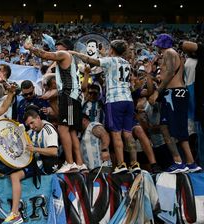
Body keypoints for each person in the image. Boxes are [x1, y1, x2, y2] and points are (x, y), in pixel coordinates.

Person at [70, 40, 141, 173]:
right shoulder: (126, 63)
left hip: (115, 101)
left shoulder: (110, 60)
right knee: (128, 134)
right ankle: (134, 164)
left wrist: (74, 53)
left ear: (112, 50)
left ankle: (121, 164)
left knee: (116, 134)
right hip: (128, 101)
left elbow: (91, 60)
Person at [24, 38, 85, 172]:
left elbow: (45, 55)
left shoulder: (64, 55)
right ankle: (79, 163)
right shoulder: (69, 58)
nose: (56, 51)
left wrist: (30, 48)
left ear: (65, 48)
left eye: (58, 48)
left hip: (68, 95)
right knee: (72, 131)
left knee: (63, 129)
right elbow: (49, 71)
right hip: (74, 96)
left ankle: (69, 162)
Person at [148, 34, 202, 172]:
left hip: (173, 94)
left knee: (165, 128)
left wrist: (157, 92)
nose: (156, 46)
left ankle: (178, 162)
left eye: (158, 44)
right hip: (178, 93)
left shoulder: (169, 52)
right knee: (180, 130)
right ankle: (190, 162)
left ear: (162, 44)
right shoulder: (172, 54)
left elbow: (171, 72)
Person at [1, 109, 59, 224]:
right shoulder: (32, 131)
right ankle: (15, 213)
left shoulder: (48, 130)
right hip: (37, 163)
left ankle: (15, 213)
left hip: (47, 165)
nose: (31, 127)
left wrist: (35, 149)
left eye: (32, 123)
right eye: (29, 125)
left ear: (38, 118)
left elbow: (54, 151)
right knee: (10, 171)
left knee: (14, 175)